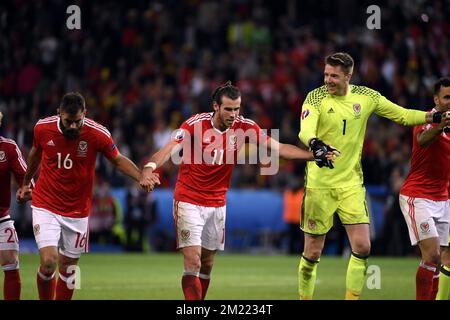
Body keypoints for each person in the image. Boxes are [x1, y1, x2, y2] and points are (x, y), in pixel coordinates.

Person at [139, 81, 337, 300]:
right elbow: (168, 150)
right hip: (189, 200)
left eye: (237, 108)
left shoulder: (246, 128)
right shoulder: (195, 124)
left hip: (217, 204)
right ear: (216, 106)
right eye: (228, 109)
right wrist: (149, 168)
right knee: (193, 260)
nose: (233, 114)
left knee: (207, 264)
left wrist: (313, 155)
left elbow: (279, 149)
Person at [297, 52, 448, 300]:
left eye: (334, 76)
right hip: (319, 185)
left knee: (363, 247)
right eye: (326, 74)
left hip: (351, 185)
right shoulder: (315, 97)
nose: (328, 80)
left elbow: (403, 115)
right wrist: (315, 143)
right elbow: (305, 130)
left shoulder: (366, 97)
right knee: (313, 252)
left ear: (348, 76)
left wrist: (434, 117)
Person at [17, 92, 160, 300]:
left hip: (77, 211)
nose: (73, 126)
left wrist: (140, 177)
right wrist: (25, 183)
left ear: (85, 113)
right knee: (49, 263)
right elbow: (35, 154)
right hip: (45, 204)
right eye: (68, 122)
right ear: (59, 114)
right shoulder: (42, 128)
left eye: (77, 121)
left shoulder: (97, 133)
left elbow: (117, 159)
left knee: (69, 270)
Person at [398, 77, 450, 300]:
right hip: (418, 197)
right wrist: (440, 126)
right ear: (436, 99)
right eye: (447, 97)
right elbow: (422, 140)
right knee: (432, 256)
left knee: (442, 259)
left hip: (444, 198)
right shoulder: (428, 119)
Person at [0, 111, 32, 300]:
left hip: (1, 219)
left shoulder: (8, 148)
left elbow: (26, 180)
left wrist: (26, 190)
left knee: (11, 263)